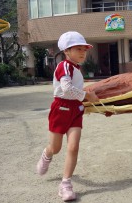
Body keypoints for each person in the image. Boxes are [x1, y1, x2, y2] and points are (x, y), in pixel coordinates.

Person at [36, 31, 99, 201]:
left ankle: (65, 184)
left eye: (84, 49)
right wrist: (87, 96)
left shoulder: (76, 68)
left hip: (76, 110)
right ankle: (46, 155)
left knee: (73, 147)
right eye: (78, 49)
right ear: (66, 51)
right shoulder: (64, 66)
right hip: (60, 109)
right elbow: (67, 89)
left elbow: (76, 89)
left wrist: (85, 97)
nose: (82, 52)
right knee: (55, 148)